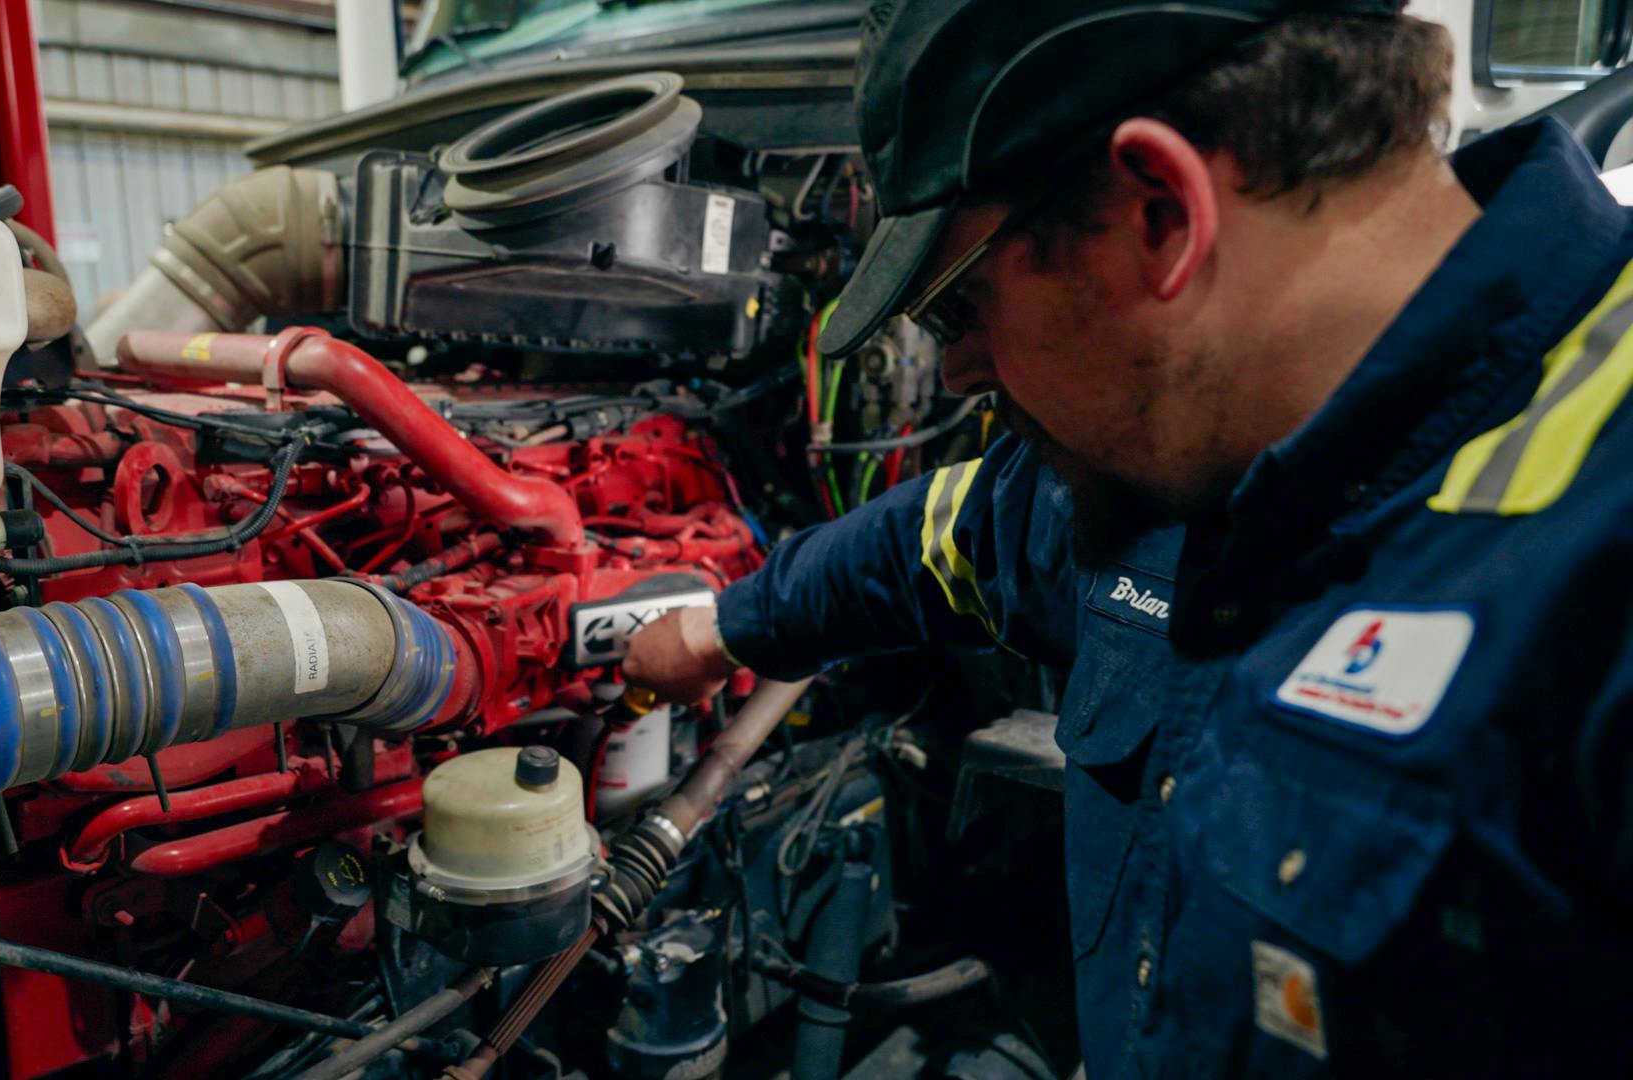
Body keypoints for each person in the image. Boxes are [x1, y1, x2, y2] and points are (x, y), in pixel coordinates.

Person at [622, 0, 1633, 1074]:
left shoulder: (1594, 557)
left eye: (953, 312)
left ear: (1162, 215)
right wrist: (721, 629)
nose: (956, 376)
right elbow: (942, 534)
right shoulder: (1176, 455)